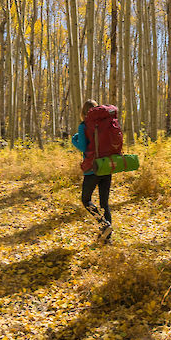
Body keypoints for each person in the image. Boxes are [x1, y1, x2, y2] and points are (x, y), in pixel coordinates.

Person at [72, 99, 113, 244]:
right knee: (104, 203)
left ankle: (104, 224)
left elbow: (83, 146)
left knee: (85, 199)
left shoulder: (83, 126)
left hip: (92, 169)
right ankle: (108, 239)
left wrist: (74, 139)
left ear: (83, 113)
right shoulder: (105, 125)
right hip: (106, 166)